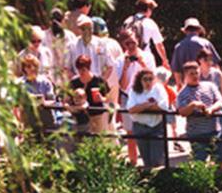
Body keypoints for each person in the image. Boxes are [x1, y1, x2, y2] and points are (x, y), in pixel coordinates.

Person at [116, 31, 155, 163]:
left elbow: (153, 79)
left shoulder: (148, 56)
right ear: (124, 44)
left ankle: (148, 162)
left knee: (146, 129)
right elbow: (122, 85)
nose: (131, 46)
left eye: (133, 42)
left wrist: (142, 64)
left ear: (138, 41)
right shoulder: (120, 60)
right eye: (128, 43)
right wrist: (126, 68)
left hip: (144, 96)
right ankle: (133, 163)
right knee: (130, 133)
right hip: (128, 97)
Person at [176, 61, 222, 162]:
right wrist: (193, 105)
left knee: (220, 161)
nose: (195, 76)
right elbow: (182, 112)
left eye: (196, 73)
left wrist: (211, 109)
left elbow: (220, 101)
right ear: (185, 75)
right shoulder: (182, 94)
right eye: (191, 74)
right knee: (199, 162)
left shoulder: (210, 86)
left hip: (215, 130)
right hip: (196, 133)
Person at [126, 68, 169, 168]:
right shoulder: (134, 91)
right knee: (146, 161)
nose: (148, 82)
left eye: (150, 79)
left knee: (157, 161)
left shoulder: (158, 88)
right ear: (140, 80)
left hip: (156, 127)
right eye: (145, 79)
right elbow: (131, 109)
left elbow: (164, 106)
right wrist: (148, 105)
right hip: (140, 127)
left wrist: (140, 107)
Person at [171, 18, 222, 88]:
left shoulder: (178, 47)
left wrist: (179, 86)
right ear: (199, 30)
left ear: (185, 31)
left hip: (187, 85)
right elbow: (215, 65)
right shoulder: (206, 43)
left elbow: (176, 71)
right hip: (207, 85)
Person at [123, 0, 169, 70]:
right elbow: (159, 45)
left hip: (128, 58)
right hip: (145, 58)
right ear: (148, 9)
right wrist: (165, 60)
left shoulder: (127, 21)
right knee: (149, 79)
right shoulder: (149, 22)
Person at [69, 54, 110, 133]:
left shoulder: (99, 81)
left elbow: (108, 98)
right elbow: (67, 99)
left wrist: (101, 99)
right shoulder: (74, 82)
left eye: (83, 69)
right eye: (79, 69)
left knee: (97, 139)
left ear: (88, 68)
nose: (81, 72)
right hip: (80, 118)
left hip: (96, 115)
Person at [17, 54, 56, 137]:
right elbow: (15, 104)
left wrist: (43, 102)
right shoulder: (19, 84)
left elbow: (52, 100)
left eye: (34, 66)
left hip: (46, 120)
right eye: (29, 66)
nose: (32, 68)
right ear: (24, 68)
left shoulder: (45, 82)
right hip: (28, 122)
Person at [68, 16, 114, 83]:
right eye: (83, 28)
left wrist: (102, 81)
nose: (87, 31)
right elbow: (66, 68)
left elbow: (110, 66)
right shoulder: (72, 45)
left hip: (96, 81)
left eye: (89, 28)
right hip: (79, 84)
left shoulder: (101, 44)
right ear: (79, 30)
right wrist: (75, 81)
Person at [43, 8, 76, 87]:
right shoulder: (43, 37)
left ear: (63, 20)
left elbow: (75, 56)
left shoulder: (70, 36)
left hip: (68, 77)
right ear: (50, 22)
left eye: (58, 20)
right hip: (50, 78)